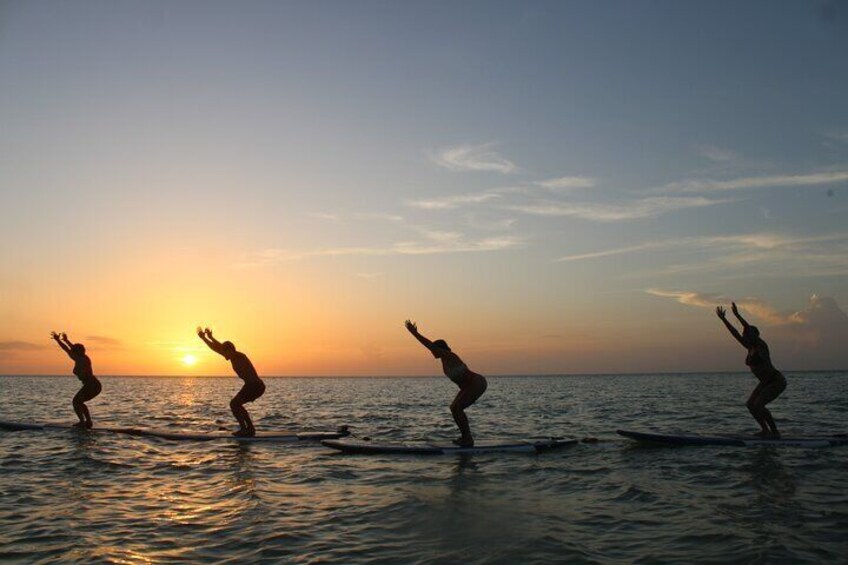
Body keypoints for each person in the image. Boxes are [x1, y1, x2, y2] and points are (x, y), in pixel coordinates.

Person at [404, 320, 487, 447]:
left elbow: (428, 345)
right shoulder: (444, 360)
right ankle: (465, 437)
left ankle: (467, 439)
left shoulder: (449, 356)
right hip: (468, 386)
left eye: (434, 350)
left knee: (457, 408)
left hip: (477, 383)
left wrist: (414, 333)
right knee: (454, 408)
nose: (432, 353)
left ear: (440, 349)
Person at [716, 302, 787, 438]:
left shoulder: (761, 345)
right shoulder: (749, 348)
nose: (744, 334)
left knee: (759, 404)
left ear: (755, 335)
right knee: (750, 405)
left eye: (747, 333)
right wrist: (724, 319)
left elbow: (746, 327)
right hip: (765, 383)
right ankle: (765, 430)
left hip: (776, 381)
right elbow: (734, 333)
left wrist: (737, 315)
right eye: (744, 334)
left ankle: (775, 433)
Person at [197, 327, 265, 436]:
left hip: (254, 386)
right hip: (254, 386)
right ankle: (250, 429)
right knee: (237, 404)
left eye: (225, 353)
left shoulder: (239, 356)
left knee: (234, 404)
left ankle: (245, 429)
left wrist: (209, 339)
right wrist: (207, 338)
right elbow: (218, 348)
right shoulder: (233, 355)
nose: (224, 356)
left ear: (230, 350)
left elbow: (219, 348)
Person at [50, 331, 102, 428]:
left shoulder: (80, 359)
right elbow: (72, 349)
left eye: (74, 351)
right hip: (94, 385)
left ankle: (82, 422)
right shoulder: (83, 357)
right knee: (79, 402)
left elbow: (66, 349)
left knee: (76, 402)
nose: (71, 352)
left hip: (91, 385)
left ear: (76, 352)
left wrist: (58, 340)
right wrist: (66, 340)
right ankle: (88, 422)